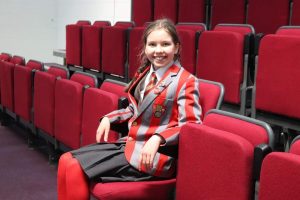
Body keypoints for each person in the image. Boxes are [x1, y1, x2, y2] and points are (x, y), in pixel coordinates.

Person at [57, 18, 202, 200]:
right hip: (131, 144)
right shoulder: (144, 73)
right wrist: (108, 118)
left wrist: (159, 138)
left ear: (177, 47)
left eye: (165, 44)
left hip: (154, 157)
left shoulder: (186, 81)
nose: (158, 50)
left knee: (73, 167)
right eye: (152, 44)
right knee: (65, 160)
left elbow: (191, 126)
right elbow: (134, 109)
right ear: (145, 47)